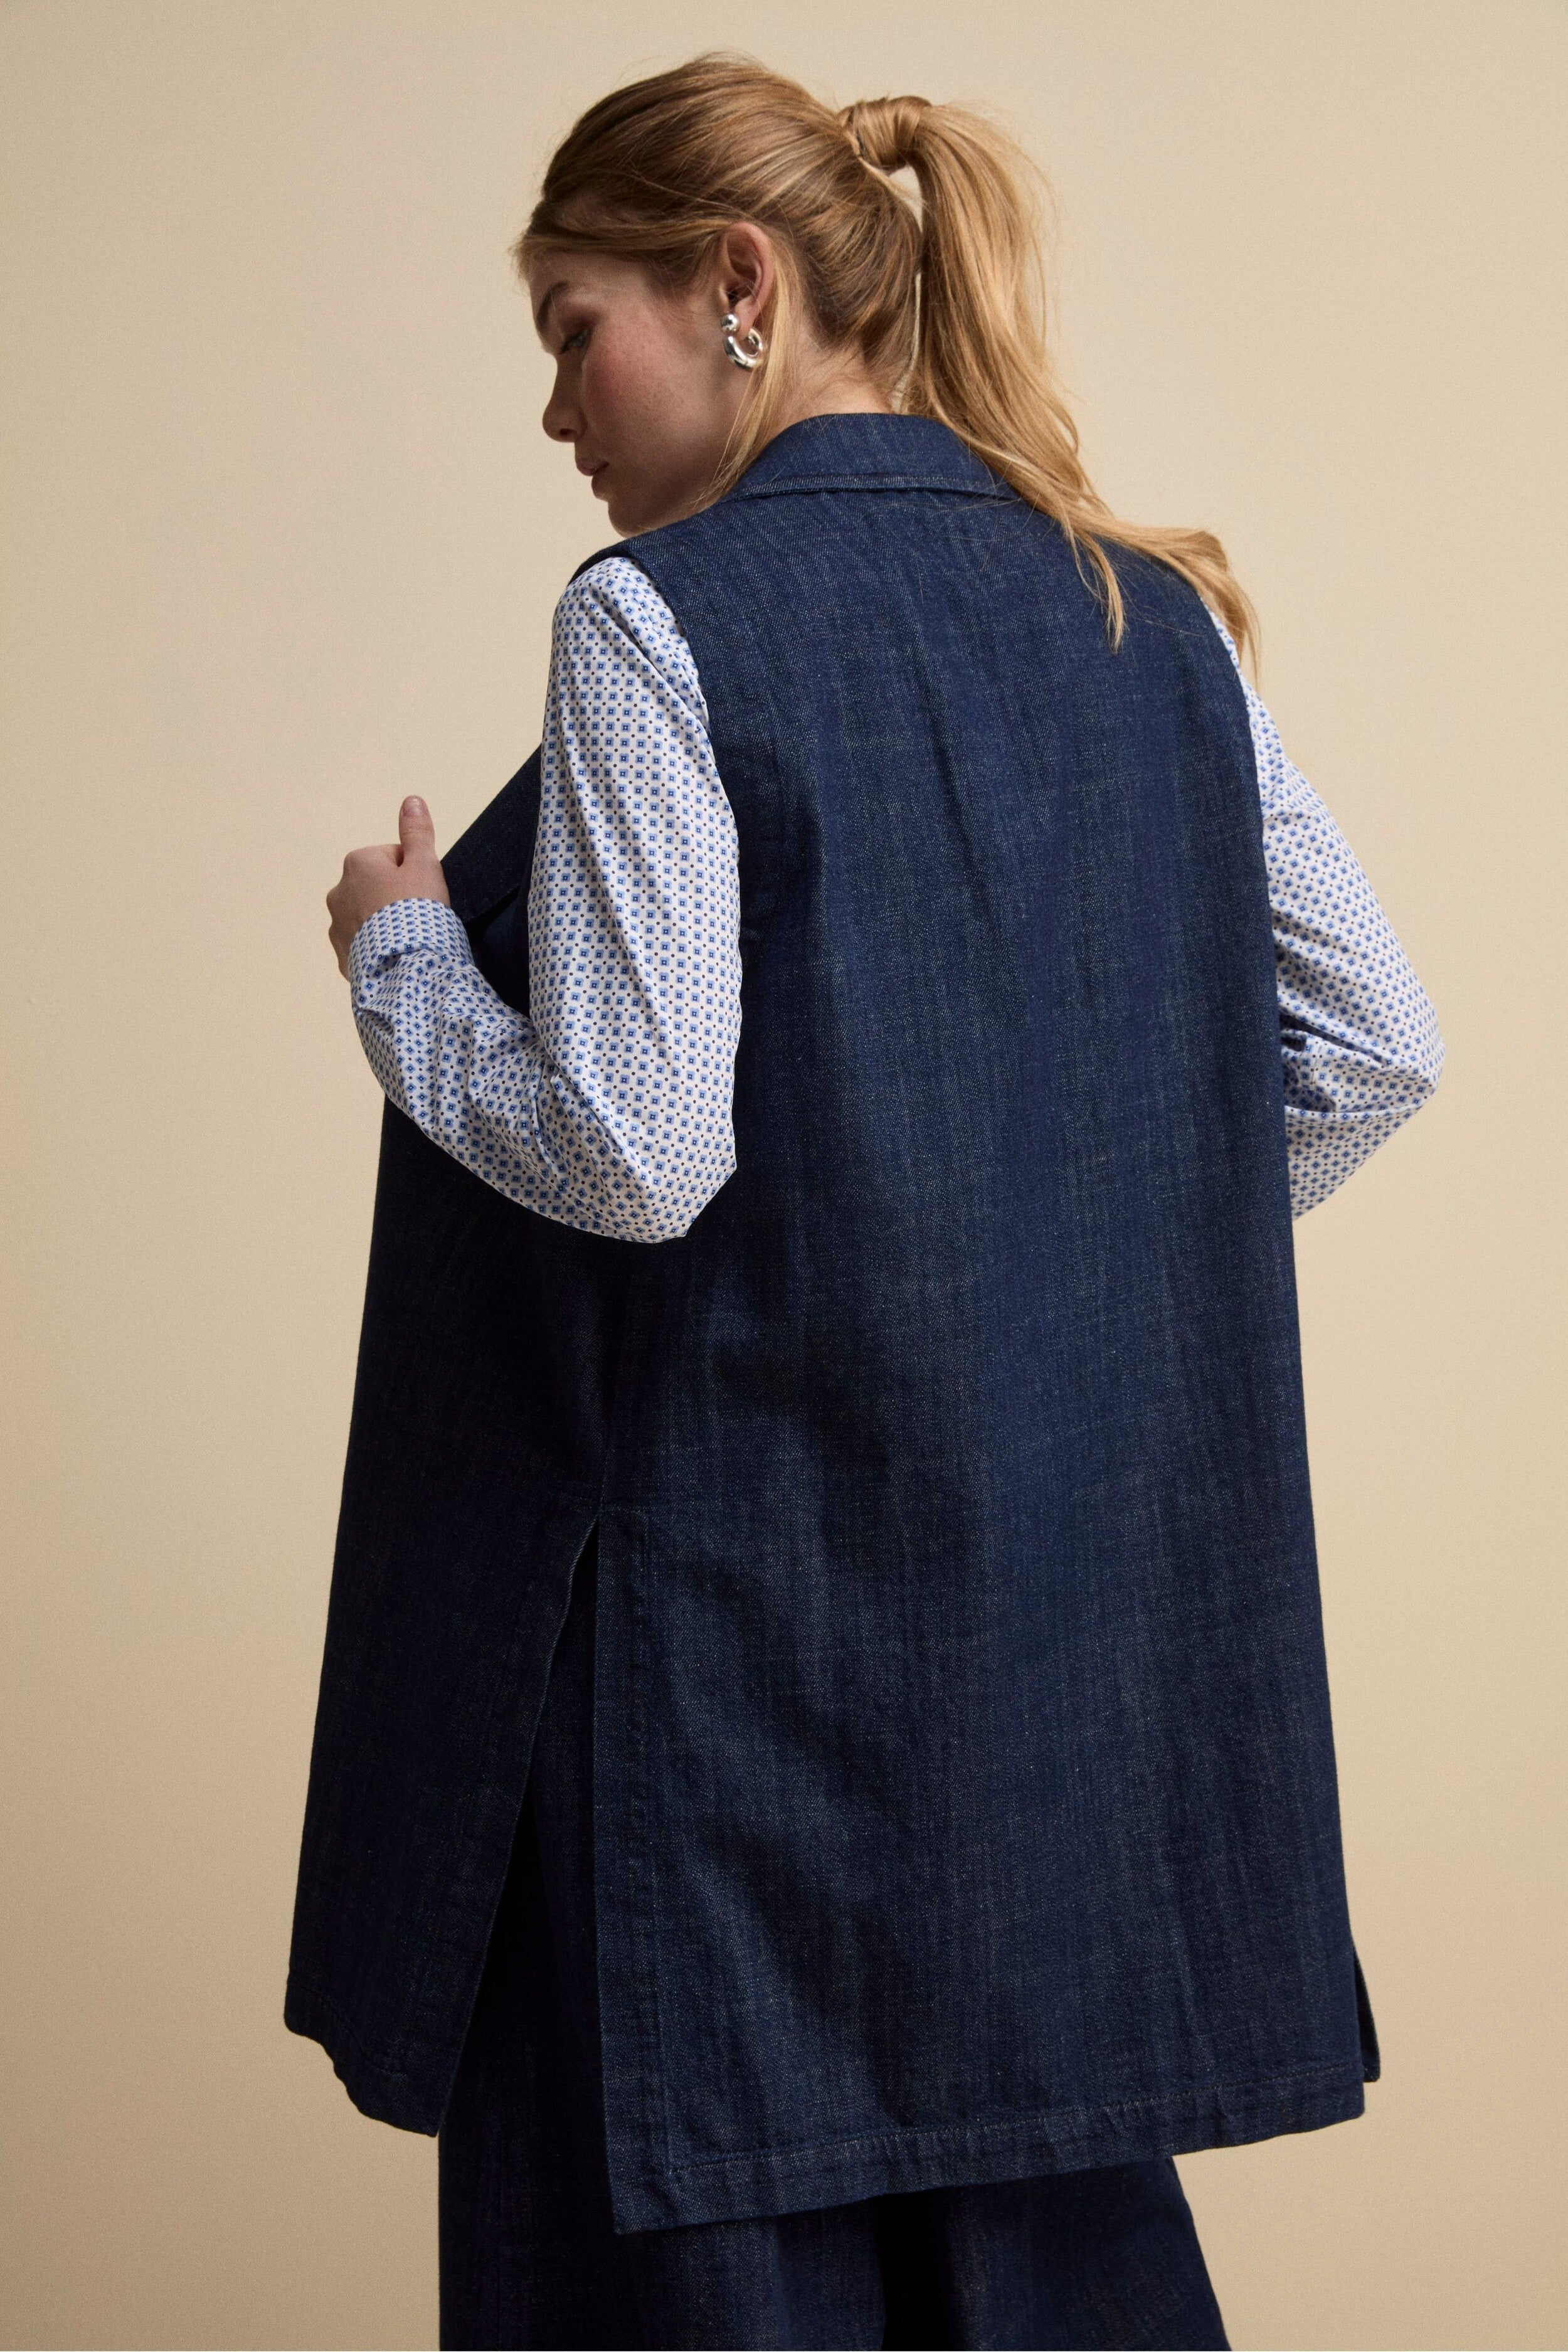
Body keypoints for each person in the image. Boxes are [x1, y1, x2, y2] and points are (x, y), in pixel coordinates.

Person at [290, 53, 1444, 2352]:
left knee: (703, 2260)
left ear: (737, 286)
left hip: (715, 1696)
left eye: (572, 327)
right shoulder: (1141, 617)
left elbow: (635, 1149)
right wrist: (1043, 1258)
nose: (554, 408)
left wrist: (402, 966)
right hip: (1037, 1684)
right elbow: (1368, 1043)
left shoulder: (657, 619)